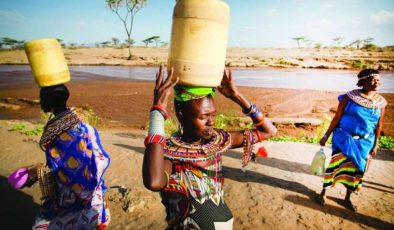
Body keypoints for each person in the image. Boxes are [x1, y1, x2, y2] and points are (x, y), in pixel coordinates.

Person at [143, 65, 277, 229]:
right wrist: (157, 112)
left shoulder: (218, 140)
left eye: (213, 114)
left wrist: (237, 96)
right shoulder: (169, 152)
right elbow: (154, 182)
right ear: (181, 115)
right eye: (203, 116)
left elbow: (269, 131)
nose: (211, 122)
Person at [11, 84, 111, 229]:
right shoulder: (80, 123)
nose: (41, 102)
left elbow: (67, 165)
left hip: (72, 190)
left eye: (42, 99)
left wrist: (36, 173)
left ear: (51, 102)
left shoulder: (62, 132)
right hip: (91, 184)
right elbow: (95, 155)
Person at [316, 69, 387, 211]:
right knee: (335, 166)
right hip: (344, 138)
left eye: (378, 80)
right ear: (364, 81)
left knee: (357, 170)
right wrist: (326, 135)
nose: (377, 83)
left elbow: (379, 125)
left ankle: (347, 198)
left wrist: (376, 144)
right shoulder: (349, 97)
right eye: (374, 80)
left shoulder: (381, 103)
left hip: (365, 142)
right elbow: (337, 118)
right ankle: (323, 193)